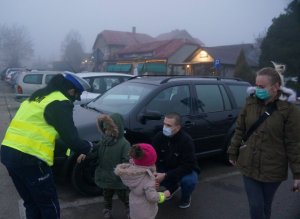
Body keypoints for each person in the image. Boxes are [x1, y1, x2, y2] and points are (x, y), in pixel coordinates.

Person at [0, 73, 93, 219]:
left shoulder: (36, 98)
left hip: (7, 153)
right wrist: (88, 147)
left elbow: (41, 129)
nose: (77, 98)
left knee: (31, 202)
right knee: (48, 204)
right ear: (70, 90)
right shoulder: (60, 102)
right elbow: (71, 138)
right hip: (30, 158)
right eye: (77, 94)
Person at [227, 67, 300, 219]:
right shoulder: (250, 103)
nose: (257, 89)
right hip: (249, 164)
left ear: (275, 87)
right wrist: (233, 151)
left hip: (273, 168)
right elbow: (240, 129)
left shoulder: (289, 110)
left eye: (261, 87)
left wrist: (297, 174)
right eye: (256, 85)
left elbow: (294, 143)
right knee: (256, 206)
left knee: (265, 206)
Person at [77, 113, 130, 219]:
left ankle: (130, 209)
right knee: (107, 196)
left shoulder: (124, 144)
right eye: (105, 130)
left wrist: (123, 170)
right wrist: (85, 155)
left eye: (109, 129)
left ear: (117, 128)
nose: (107, 132)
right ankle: (107, 210)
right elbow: (95, 152)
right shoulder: (103, 141)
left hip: (118, 178)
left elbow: (127, 161)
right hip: (105, 175)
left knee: (124, 196)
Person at [153, 112, 200, 209]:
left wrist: (166, 175)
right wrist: (154, 172)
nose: (165, 127)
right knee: (149, 177)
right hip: (166, 167)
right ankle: (172, 188)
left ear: (178, 127)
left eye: (168, 125)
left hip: (184, 169)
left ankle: (186, 197)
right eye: (164, 124)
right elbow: (153, 157)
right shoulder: (159, 137)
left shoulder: (186, 141)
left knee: (189, 181)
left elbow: (188, 165)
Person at [114, 143, 170, 219]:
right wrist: (164, 195)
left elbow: (140, 186)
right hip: (146, 211)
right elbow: (152, 197)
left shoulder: (130, 171)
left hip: (134, 207)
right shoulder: (148, 178)